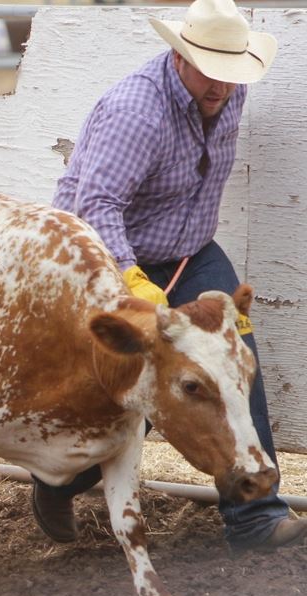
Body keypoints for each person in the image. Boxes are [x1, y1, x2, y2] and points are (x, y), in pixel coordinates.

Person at [33, 0, 307, 550]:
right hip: (111, 259)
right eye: (211, 70)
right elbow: (98, 203)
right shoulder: (138, 110)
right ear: (181, 56)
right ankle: (60, 478)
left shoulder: (229, 89)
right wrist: (132, 278)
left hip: (191, 254)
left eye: (232, 73)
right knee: (140, 385)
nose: (222, 87)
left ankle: (254, 514)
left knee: (231, 358)